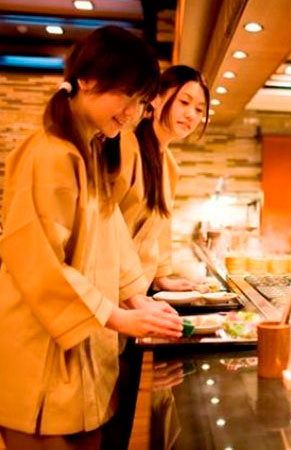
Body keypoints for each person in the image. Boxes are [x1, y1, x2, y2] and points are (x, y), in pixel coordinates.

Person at [0, 26, 183, 450]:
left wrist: (137, 297)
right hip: (40, 352)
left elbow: (113, 237)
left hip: (81, 348)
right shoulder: (48, 152)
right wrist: (117, 316)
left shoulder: (92, 152)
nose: (135, 114)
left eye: (141, 103)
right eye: (129, 97)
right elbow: (36, 259)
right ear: (86, 79)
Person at [112, 65, 210, 294]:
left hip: (136, 287)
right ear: (155, 99)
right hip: (109, 282)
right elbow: (104, 224)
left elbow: (161, 228)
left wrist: (161, 277)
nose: (191, 115)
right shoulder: (126, 146)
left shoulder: (169, 164)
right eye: (184, 102)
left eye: (199, 109)